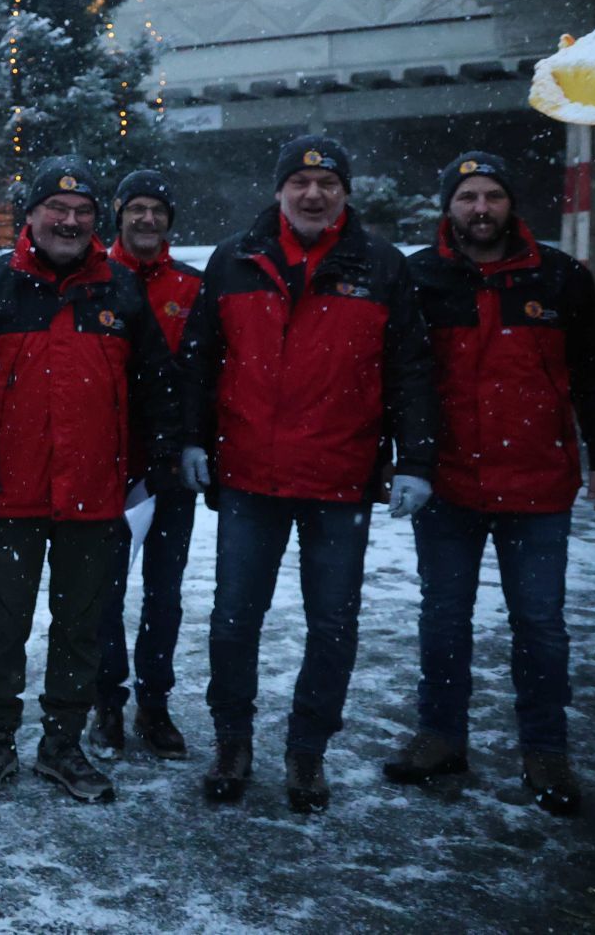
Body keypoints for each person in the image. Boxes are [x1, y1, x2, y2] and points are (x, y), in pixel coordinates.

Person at [180, 134, 436, 813]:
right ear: (279, 191)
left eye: (327, 184)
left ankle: (307, 750)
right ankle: (232, 739)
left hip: (340, 477)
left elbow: (410, 371)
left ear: (345, 193)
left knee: (333, 623)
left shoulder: (381, 265)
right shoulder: (234, 260)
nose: (314, 194)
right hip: (248, 478)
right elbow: (201, 362)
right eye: (300, 182)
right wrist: (189, 440)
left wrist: (415, 458)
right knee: (234, 620)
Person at [385, 151, 595, 816]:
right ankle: (440, 736)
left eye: (492, 195)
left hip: (538, 483)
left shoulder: (558, 276)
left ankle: (545, 749)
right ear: (449, 206)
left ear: (511, 203)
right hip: (450, 483)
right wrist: (398, 459)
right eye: (467, 197)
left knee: (541, 625)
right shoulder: (421, 277)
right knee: (443, 618)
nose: (481, 209)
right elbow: (399, 377)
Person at [0, 157, 179, 805]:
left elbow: (156, 387)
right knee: (1, 629)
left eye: (82, 213)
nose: (69, 221)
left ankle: (62, 743)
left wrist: (152, 469)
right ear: (33, 215)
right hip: (10, 497)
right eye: (56, 210)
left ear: (96, 222)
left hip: (95, 501)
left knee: (81, 628)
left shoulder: (120, 292)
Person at [91, 170, 205, 760]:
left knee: (164, 591)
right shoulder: (95, 281)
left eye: (156, 210)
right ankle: (105, 700)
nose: (146, 219)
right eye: (135, 208)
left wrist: (192, 442)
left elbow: (207, 372)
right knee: (103, 592)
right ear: (119, 214)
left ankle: (154, 702)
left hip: (170, 465)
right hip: (105, 462)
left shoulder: (191, 285)